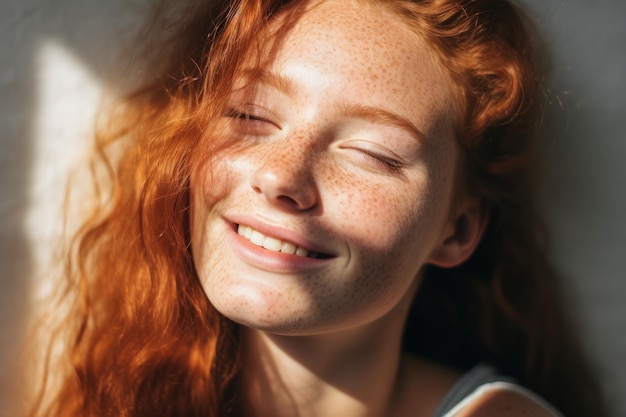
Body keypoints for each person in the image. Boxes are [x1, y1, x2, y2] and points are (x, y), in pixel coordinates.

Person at [24, 0, 607, 416]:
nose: (281, 175)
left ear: (455, 231)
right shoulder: (120, 393)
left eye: (372, 154)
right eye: (251, 116)